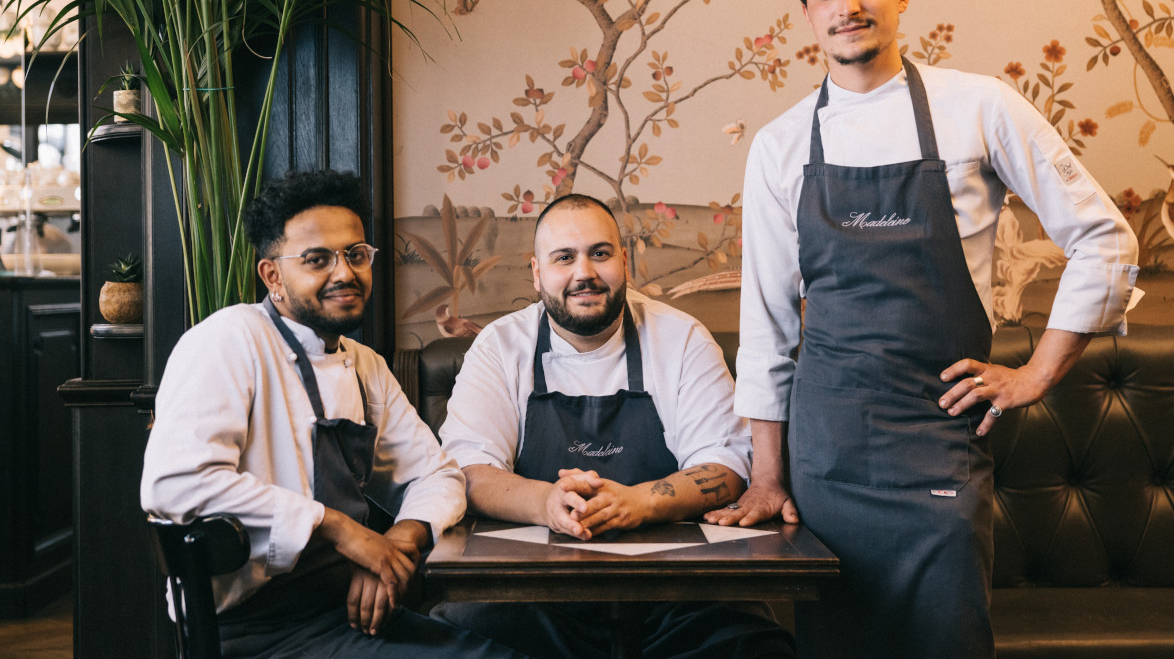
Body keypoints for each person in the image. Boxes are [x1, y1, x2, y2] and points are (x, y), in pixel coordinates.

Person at [706, 0, 1141, 659]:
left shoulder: (980, 107)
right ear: (808, 12)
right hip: (827, 452)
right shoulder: (780, 146)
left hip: (937, 435)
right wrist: (768, 477)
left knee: (948, 636)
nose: (847, 4)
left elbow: (1105, 238)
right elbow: (768, 323)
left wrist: (1037, 373)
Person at [141, 170, 528, 659]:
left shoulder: (364, 365)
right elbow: (174, 483)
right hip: (253, 633)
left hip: (350, 613)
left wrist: (397, 544)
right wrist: (342, 531)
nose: (345, 272)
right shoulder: (228, 340)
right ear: (272, 276)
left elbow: (439, 474)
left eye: (356, 254)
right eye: (317, 259)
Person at [434, 194, 795, 659]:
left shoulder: (681, 337)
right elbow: (469, 469)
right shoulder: (500, 347)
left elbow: (725, 463)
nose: (584, 271)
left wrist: (639, 501)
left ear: (624, 262)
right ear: (537, 271)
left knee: (754, 646)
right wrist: (546, 501)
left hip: (679, 596)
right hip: (533, 594)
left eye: (600, 253)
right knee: (455, 636)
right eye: (564, 257)